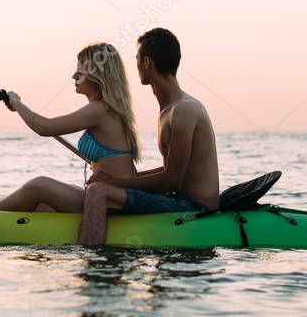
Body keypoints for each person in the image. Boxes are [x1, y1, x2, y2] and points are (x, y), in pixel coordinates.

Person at [0, 43, 140, 212]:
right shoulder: (108, 110)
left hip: (110, 203)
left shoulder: (100, 110)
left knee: (39, 185)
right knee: (41, 203)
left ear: (98, 74)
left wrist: (17, 104)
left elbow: (44, 127)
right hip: (111, 198)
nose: (74, 75)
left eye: (81, 69)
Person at [81, 28, 219, 245]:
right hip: (178, 199)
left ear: (147, 62)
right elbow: (171, 170)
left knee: (98, 192)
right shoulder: (169, 110)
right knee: (101, 188)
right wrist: (127, 181)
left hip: (194, 206)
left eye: (136, 60)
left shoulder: (184, 111)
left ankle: (95, 268)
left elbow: (173, 179)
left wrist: (114, 182)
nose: (135, 67)